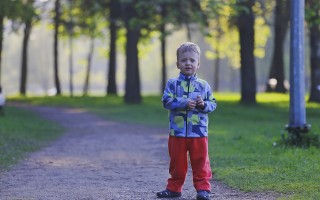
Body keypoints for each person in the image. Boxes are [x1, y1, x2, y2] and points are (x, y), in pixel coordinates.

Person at [157, 42, 217, 200]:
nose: (188, 63)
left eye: (192, 60)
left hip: (199, 132)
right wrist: (183, 103)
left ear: (198, 64)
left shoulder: (204, 86)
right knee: (177, 162)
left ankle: (203, 189)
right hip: (177, 132)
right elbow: (166, 101)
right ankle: (174, 188)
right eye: (184, 60)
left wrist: (203, 105)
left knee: (201, 161)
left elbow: (213, 103)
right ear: (178, 64)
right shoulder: (173, 84)